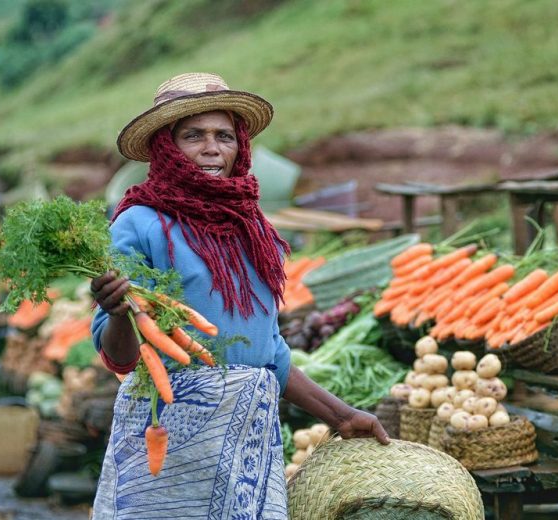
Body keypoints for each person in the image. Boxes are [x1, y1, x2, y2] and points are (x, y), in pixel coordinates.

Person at [90, 72, 389, 518]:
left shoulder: (252, 227)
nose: (212, 148)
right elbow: (121, 358)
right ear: (166, 146)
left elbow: (269, 351)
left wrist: (341, 417)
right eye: (194, 136)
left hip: (248, 441)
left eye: (224, 136)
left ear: (240, 146)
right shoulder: (138, 223)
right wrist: (117, 313)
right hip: (170, 438)